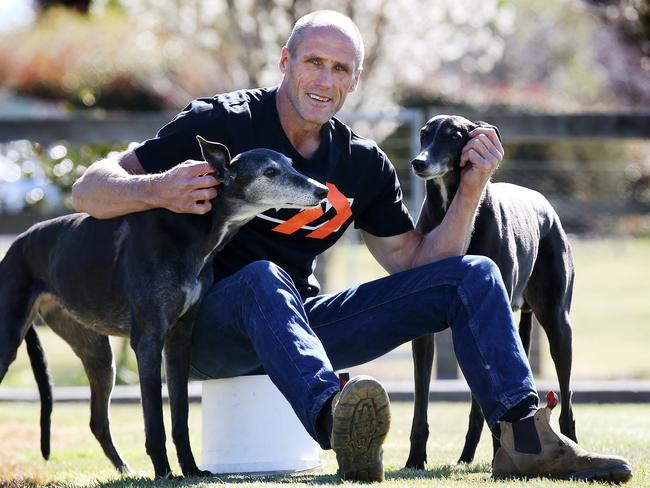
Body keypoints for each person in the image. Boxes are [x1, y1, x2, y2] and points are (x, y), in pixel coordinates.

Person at [72, 10, 632, 483]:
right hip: (203, 328)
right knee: (264, 276)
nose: (325, 78)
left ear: (354, 80)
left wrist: (471, 187)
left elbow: (420, 264)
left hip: (302, 327)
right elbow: (88, 189)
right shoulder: (222, 121)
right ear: (285, 62)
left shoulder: (362, 162)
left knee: (474, 273)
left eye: (340, 68)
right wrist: (155, 187)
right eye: (313, 61)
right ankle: (335, 420)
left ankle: (524, 439)